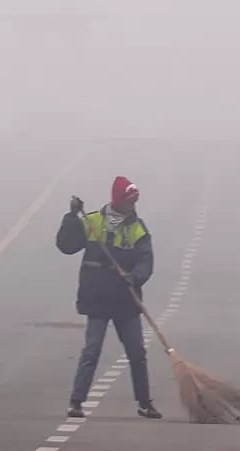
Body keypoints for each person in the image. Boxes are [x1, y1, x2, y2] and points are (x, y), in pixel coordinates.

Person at [56, 175, 161, 420]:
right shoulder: (91, 221)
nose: (132, 205)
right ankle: (76, 402)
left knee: (137, 352)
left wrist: (134, 278)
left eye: (135, 200)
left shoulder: (138, 228)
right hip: (97, 299)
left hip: (126, 301)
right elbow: (66, 246)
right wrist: (71, 217)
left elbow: (146, 262)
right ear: (118, 199)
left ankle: (145, 404)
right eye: (129, 200)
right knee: (91, 351)